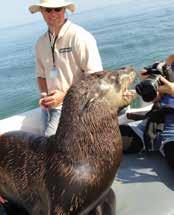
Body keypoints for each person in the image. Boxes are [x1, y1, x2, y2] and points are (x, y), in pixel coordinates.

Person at [28, 0, 103, 136]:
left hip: (77, 108)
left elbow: (95, 78)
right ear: (41, 12)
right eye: (48, 10)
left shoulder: (80, 36)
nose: (53, 13)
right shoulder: (40, 43)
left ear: (64, 10)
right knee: (48, 146)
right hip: (49, 109)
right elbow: (41, 75)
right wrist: (44, 95)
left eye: (57, 9)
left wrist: (64, 97)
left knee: (50, 149)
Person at [120, 55, 174, 169]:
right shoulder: (170, 61)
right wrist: (149, 84)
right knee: (104, 141)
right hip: (151, 127)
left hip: (171, 136)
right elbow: (157, 98)